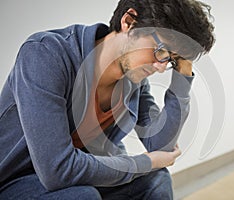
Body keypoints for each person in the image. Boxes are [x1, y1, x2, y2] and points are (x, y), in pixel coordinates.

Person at [0, 0, 215, 199]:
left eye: (170, 60)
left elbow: (161, 144)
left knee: (157, 181)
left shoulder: (135, 79)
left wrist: (183, 71)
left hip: (86, 177)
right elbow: (57, 170)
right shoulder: (45, 54)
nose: (160, 67)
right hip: (17, 181)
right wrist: (145, 163)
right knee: (82, 196)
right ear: (129, 22)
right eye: (161, 51)